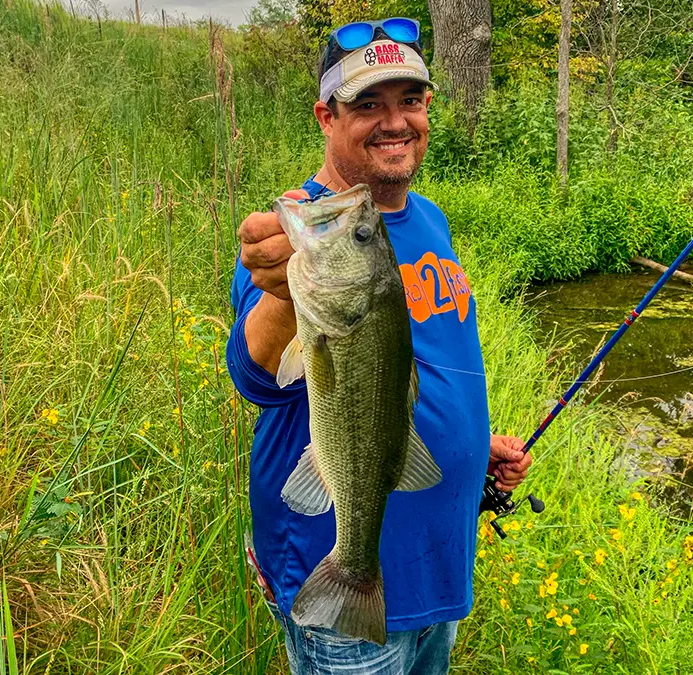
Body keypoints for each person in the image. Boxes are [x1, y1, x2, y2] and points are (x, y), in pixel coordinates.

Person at [225, 17, 533, 674]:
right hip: (344, 595)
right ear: (326, 116)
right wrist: (281, 291)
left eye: (409, 100)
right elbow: (253, 373)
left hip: (439, 573)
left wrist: (475, 447)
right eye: (368, 104)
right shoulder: (299, 232)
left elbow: (419, 368)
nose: (395, 121)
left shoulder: (429, 219)